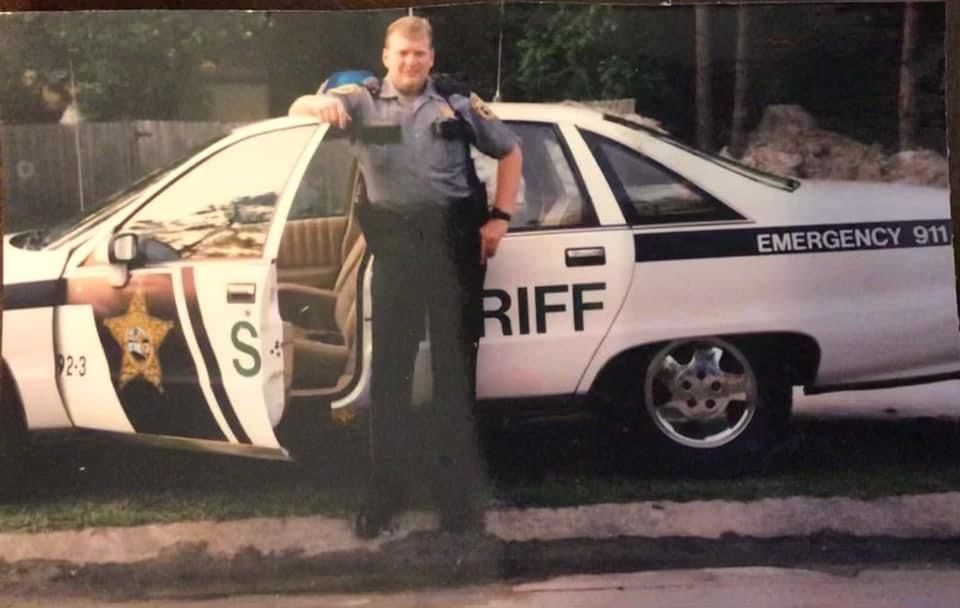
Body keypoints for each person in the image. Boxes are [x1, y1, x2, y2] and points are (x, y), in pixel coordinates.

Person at [288, 15, 522, 538]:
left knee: (454, 373)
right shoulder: (360, 100)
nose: (411, 62)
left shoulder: (458, 103)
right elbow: (298, 107)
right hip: (394, 250)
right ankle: (384, 491)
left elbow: (510, 151)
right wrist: (316, 102)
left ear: (431, 58)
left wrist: (501, 217)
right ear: (386, 58)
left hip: (454, 248)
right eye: (401, 54)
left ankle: (455, 496)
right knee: (389, 374)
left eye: (420, 54)